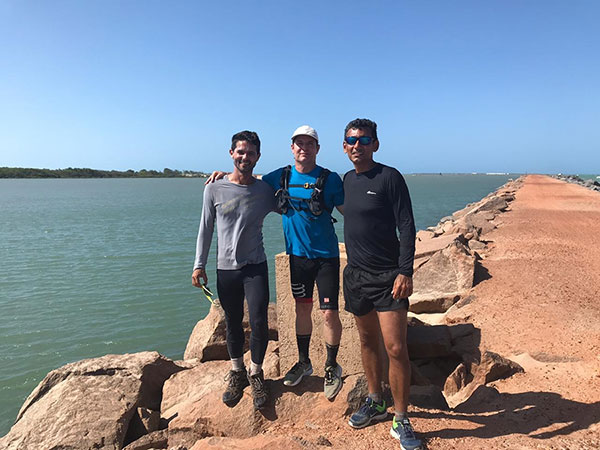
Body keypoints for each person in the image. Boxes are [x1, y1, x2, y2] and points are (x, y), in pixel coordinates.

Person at [207, 125, 345, 399]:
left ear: (317, 149)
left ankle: (332, 365)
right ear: (292, 148)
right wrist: (224, 175)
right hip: (297, 257)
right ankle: (304, 362)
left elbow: (348, 210)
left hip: (326, 257)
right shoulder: (280, 176)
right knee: (302, 311)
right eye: (299, 143)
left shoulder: (330, 180)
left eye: (309, 144)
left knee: (329, 313)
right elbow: (249, 179)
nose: (304, 148)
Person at [341, 119, 422, 449]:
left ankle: (400, 418)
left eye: (364, 140)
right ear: (344, 145)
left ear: (375, 144)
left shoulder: (390, 178)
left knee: (395, 348)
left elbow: (407, 225)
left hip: (389, 276)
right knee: (367, 341)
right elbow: (304, 188)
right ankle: (375, 401)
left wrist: (406, 271)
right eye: (351, 140)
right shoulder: (344, 181)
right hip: (356, 276)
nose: (357, 145)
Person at [192, 130, 276, 411]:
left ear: (258, 157)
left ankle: (256, 372)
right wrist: (198, 265)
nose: (245, 157)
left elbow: (291, 206)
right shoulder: (214, 188)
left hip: (255, 266)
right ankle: (237, 371)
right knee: (232, 322)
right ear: (231, 154)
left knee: (260, 320)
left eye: (251, 153)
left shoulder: (265, 190)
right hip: (225, 268)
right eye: (240, 152)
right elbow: (205, 229)